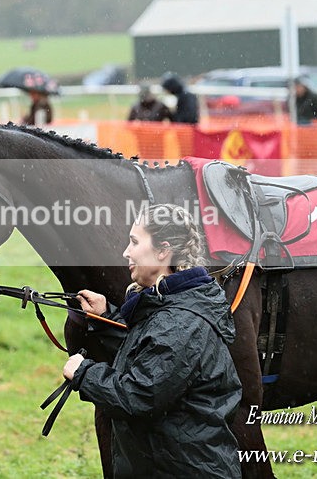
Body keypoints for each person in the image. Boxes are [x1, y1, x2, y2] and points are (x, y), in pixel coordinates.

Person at [62, 204, 242, 478]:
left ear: (162, 251)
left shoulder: (179, 322)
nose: (126, 252)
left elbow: (139, 396)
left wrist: (84, 373)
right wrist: (105, 321)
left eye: (134, 242)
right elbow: (154, 355)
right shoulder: (170, 304)